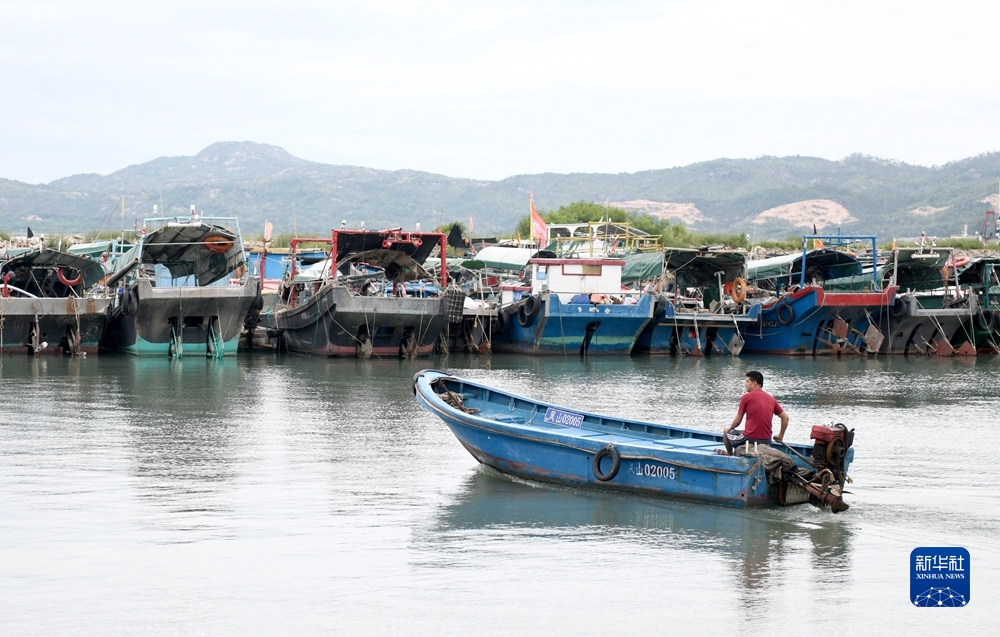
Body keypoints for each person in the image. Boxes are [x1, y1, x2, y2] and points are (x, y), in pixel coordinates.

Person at [720, 370, 789, 456]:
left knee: (726, 432)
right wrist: (780, 435)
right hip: (767, 440)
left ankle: (730, 454)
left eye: (747, 381)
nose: (745, 384)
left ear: (754, 383)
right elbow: (785, 418)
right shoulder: (771, 398)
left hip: (749, 438)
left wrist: (730, 428)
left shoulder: (746, 397)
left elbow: (737, 422)